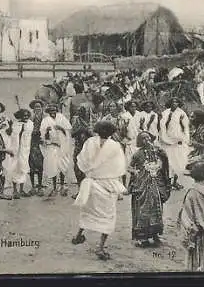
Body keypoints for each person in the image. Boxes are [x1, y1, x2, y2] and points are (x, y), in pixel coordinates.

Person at [71, 121, 127, 261]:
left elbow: (81, 160)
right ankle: (100, 247)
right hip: (106, 184)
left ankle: (78, 236)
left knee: (88, 211)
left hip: (91, 183)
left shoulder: (90, 142)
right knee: (107, 216)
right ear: (111, 132)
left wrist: (90, 172)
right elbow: (120, 167)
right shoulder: (114, 146)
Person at [128, 131, 171, 248]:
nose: (146, 140)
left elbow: (165, 167)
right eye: (143, 138)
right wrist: (135, 172)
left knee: (157, 209)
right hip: (142, 186)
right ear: (139, 141)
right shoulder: (137, 154)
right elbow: (129, 167)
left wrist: (164, 156)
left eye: (148, 138)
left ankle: (155, 234)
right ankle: (143, 237)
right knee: (142, 210)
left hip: (157, 185)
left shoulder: (159, 152)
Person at [40, 103, 72, 197]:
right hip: (51, 146)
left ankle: (62, 185)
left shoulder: (61, 117)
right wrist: (47, 131)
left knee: (62, 164)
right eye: (51, 111)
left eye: (54, 110)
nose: (53, 112)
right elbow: (43, 135)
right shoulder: (45, 120)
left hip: (62, 145)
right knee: (53, 165)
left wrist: (61, 128)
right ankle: (54, 187)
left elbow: (68, 130)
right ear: (48, 112)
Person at [159, 97, 190, 190]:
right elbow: (162, 126)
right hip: (167, 140)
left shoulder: (182, 113)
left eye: (176, 102)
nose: (174, 103)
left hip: (178, 140)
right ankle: (168, 183)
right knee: (168, 162)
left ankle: (175, 182)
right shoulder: (165, 113)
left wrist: (184, 139)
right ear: (170, 103)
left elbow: (185, 127)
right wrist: (169, 118)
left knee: (178, 162)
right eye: (173, 102)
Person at [9, 109, 34, 199]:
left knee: (24, 168)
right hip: (16, 150)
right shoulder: (15, 124)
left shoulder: (30, 124)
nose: (26, 117)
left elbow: (29, 135)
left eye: (27, 115)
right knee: (15, 168)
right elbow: (13, 136)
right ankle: (15, 190)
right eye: (24, 116)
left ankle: (21, 190)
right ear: (20, 116)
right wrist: (20, 131)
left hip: (25, 149)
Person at [71, 105, 93, 199]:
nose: (80, 113)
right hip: (78, 147)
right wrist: (79, 130)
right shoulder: (76, 121)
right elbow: (72, 134)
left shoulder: (90, 122)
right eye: (79, 111)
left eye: (82, 111)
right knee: (77, 169)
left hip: (87, 149)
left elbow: (94, 135)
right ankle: (80, 190)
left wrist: (86, 131)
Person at [29, 99, 46, 196]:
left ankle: (39, 185)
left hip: (40, 141)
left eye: (39, 107)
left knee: (40, 165)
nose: (37, 108)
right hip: (31, 142)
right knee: (31, 164)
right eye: (36, 107)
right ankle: (33, 186)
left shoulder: (45, 117)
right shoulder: (30, 117)